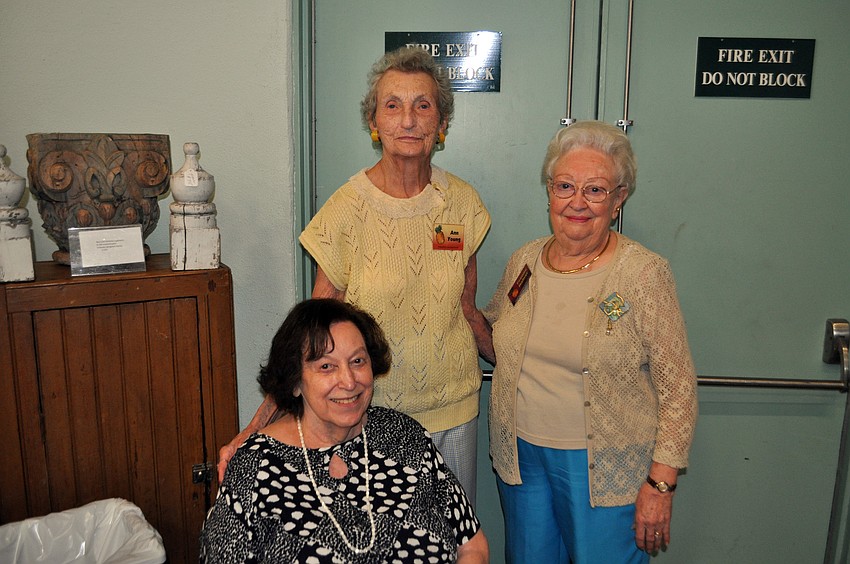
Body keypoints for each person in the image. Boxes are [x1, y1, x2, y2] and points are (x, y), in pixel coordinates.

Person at [218, 47, 491, 504]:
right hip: (369, 415)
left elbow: (467, 310)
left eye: (423, 105)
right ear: (373, 122)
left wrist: (522, 370)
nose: (408, 120)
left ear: (441, 122)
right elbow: (313, 336)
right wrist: (256, 427)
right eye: (393, 105)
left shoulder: (463, 203)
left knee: (451, 533)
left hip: (455, 415)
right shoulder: (346, 210)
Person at [482, 121, 698, 563]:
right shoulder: (524, 260)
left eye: (595, 190)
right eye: (565, 186)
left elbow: (678, 388)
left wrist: (661, 484)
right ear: (549, 192)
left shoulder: (643, 274)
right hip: (521, 460)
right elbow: (495, 337)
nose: (576, 202)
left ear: (619, 200)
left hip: (605, 465)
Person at [200, 299, 488, 563]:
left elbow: (473, 546)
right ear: (296, 382)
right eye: (326, 366)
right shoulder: (254, 466)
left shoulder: (405, 437)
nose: (349, 382)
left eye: (357, 361)